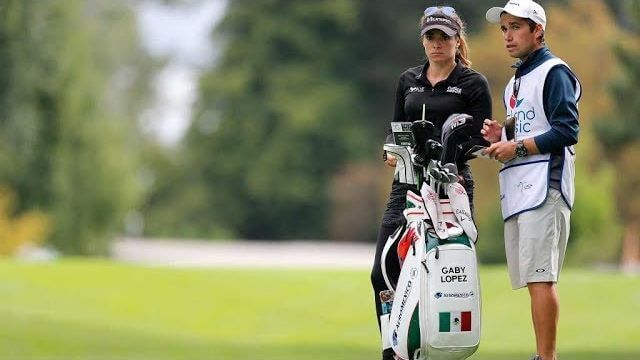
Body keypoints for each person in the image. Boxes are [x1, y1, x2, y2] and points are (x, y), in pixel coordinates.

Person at [370, 6, 492, 360]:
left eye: (444, 37)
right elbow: (394, 132)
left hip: (451, 188)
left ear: (457, 40)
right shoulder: (408, 80)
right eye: (431, 37)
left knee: (442, 273)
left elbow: (482, 139)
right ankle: (393, 350)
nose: (437, 44)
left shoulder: (472, 83)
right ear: (423, 40)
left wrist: (453, 150)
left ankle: (438, 348)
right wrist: (389, 153)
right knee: (384, 271)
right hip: (406, 185)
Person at [481, 1, 581, 359]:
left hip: (545, 189)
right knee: (532, 280)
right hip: (522, 191)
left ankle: (546, 357)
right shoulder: (516, 80)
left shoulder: (555, 72)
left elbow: (567, 130)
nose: (507, 36)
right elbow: (529, 123)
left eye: (516, 27)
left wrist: (516, 147)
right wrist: (501, 133)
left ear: (537, 30)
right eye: (504, 28)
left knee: (541, 279)